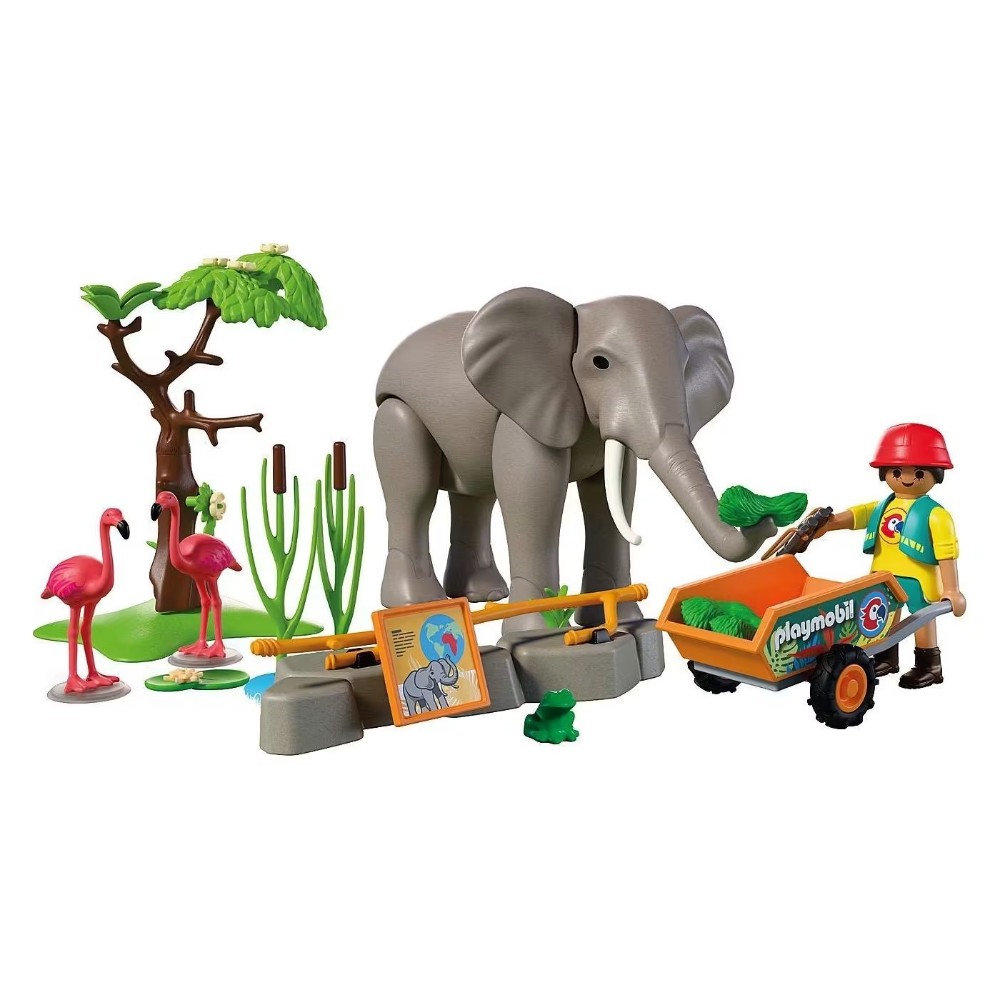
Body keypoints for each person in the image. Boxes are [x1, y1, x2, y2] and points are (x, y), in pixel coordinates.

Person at [815, 423, 965, 688]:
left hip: (918, 578)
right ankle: (886, 656)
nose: (906, 478)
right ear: (885, 472)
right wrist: (831, 522)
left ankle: (929, 665)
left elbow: (947, 553)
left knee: (922, 618)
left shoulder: (936, 514)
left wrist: (952, 590)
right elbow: (858, 515)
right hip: (883, 575)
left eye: (918, 472)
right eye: (897, 471)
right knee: (882, 616)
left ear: (935, 474)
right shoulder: (884, 506)